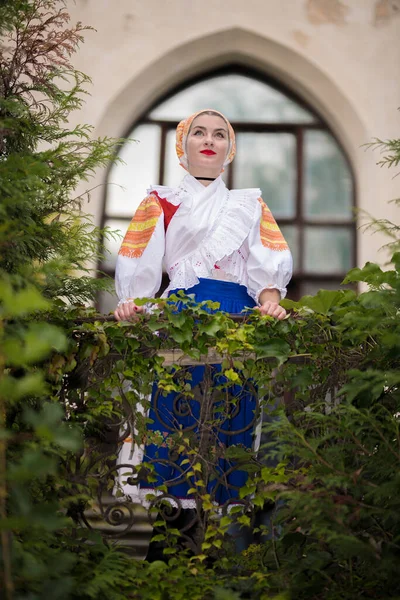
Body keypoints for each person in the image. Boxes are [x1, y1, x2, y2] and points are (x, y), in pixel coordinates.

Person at [113, 109, 292, 559]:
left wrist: (270, 298)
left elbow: (264, 262)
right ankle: (170, 550)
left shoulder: (250, 204)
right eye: (199, 133)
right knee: (178, 425)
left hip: (236, 318)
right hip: (182, 320)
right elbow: (143, 265)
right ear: (183, 145)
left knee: (226, 428)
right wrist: (133, 300)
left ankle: (213, 555)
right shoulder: (160, 200)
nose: (209, 140)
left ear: (230, 151)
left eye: (219, 134)